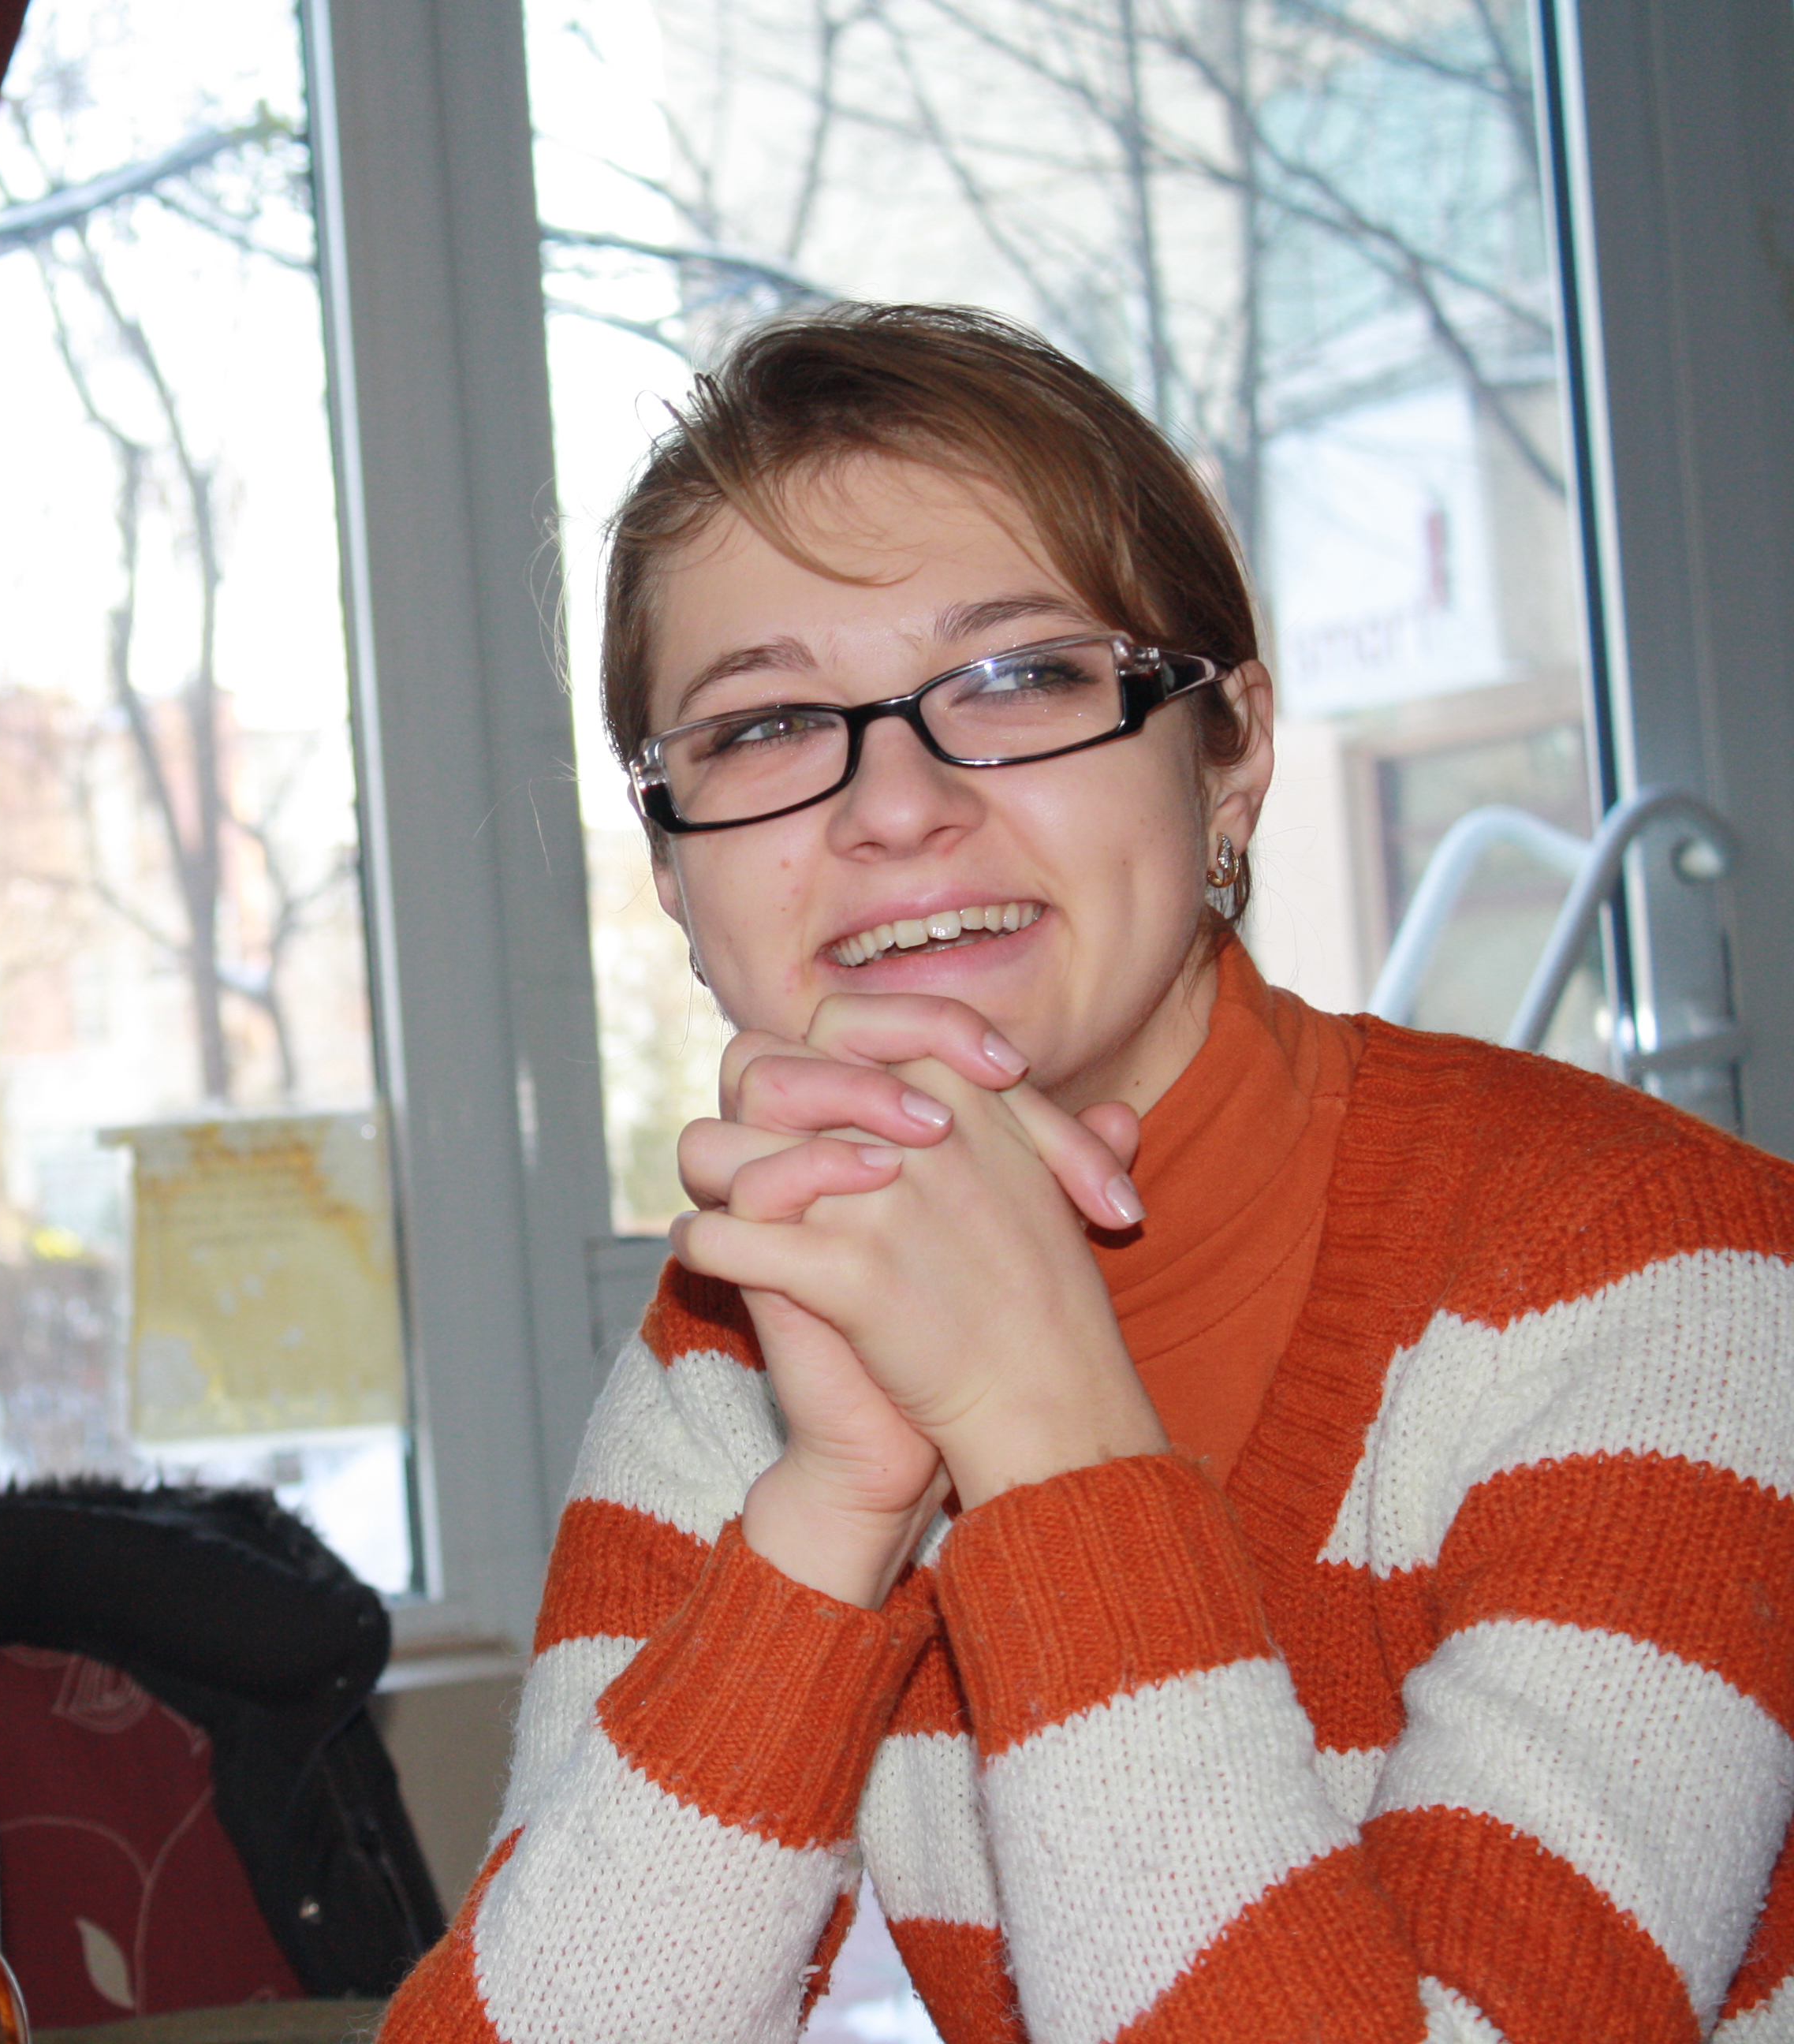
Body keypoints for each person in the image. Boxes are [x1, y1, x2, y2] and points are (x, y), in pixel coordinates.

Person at [382, 306, 1794, 2042]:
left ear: (1230, 752)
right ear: (677, 875)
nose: (893, 806)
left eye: (1017, 679)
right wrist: (834, 1515)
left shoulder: (1665, 1270)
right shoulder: (738, 1345)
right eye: (764, 727)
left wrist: (1037, 1419)